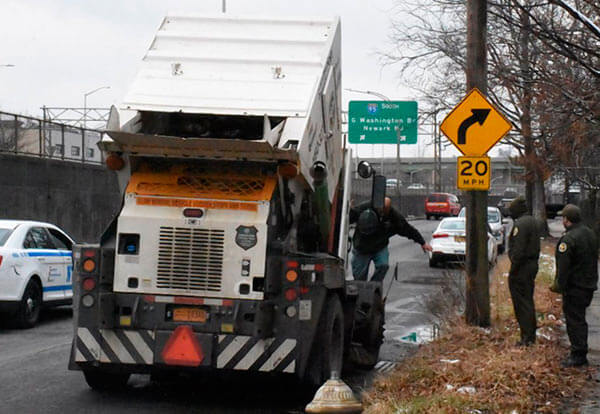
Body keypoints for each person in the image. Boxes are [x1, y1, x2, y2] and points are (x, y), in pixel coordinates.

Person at [550, 204, 598, 367]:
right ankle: (580, 350)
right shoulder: (589, 233)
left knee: (574, 320)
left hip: (575, 286)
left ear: (567, 219)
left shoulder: (569, 239)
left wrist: (559, 285)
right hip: (589, 284)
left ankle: (578, 355)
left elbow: (564, 267)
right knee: (580, 318)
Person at [349, 197, 432, 282]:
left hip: (380, 246)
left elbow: (407, 229)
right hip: (362, 246)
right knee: (359, 277)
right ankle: (360, 287)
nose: (381, 213)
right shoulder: (365, 207)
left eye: (384, 211)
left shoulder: (393, 216)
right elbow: (350, 217)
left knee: (383, 265)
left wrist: (422, 243)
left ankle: (374, 285)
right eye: (380, 210)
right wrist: (349, 210)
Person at [507, 196, 540, 346]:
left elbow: (518, 251)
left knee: (522, 303)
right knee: (528, 300)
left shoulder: (520, 224)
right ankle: (530, 334)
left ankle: (527, 338)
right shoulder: (532, 221)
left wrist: (513, 270)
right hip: (531, 265)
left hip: (522, 268)